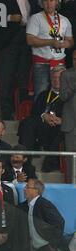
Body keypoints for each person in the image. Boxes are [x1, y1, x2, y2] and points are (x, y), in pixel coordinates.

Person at [18, 178, 68, 251]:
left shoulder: (44, 204)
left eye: (27, 187)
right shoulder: (23, 207)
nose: (24, 189)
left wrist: (53, 245)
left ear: (36, 191)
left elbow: (59, 222)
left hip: (46, 250)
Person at [18, 65, 65, 172]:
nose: (56, 80)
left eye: (59, 78)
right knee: (28, 123)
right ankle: (25, 161)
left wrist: (61, 120)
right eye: (54, 78)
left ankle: (50, 163)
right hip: (42, 126)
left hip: (59, 128)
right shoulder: (44, 95)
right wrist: (44, 115)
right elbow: (34, 113)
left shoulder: (70, 96)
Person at [26, 0, 73, 99]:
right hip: (42, 64)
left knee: (60, 95)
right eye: (45, 1)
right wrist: (51, 42)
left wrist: (65, 44)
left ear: (57, 2)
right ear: (41, 3)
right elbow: (30, 40)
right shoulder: (36, 18)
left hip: (59, 65)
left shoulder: (65, 20)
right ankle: (41, 114)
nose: (48, 3)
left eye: (51, 0)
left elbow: (71, 41)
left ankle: (57, 114)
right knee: (41, 94)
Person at [60, 50, 76, 182]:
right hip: (71, 125)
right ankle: (72, 186)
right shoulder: (66, 74)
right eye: (75, 59)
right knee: (71, 159)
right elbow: (63, 96)